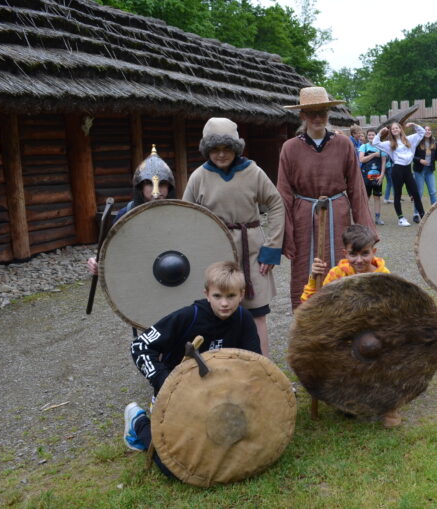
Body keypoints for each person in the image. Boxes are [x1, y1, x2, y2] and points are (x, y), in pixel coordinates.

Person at [123, 261, 261, 477]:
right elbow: (140, 346)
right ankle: (139, 422)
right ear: (207, 293)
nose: (224, 303)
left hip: (222, 397)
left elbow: (254, 366)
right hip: (177, 396)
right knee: (175, 467)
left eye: (231, 296)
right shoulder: (188, 317)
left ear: (241, 294)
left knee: (248, 452)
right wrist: (164, 381)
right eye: (217, 296)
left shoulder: (244, 320)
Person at [183, 118, 284, 358]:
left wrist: (271, 248)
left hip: (252, 251)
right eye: (215, 149)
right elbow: (185, 216)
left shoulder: (253, 172)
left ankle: (262, 370)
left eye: (226, 148)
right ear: (207, 150)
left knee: (257, 312)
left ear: (236, 148)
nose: (220, 154)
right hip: (215, 251)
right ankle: (221, 367)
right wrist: (194, 254)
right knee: (218, 311)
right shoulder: (199, 176)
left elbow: (276, 204)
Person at [277, 86, 376, 310]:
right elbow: (283, 192)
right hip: (304, 214)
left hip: (337, 212)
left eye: (322, 112)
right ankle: (307, 319)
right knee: (305, 266)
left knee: (341, 261)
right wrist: (287, 234)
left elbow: (356, 188)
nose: (317, 118)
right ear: (302, 115)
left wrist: (366, 231)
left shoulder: (343, 145)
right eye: (311, 113)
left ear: (328, 114)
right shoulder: (290, 148)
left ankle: (341, 317)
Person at [299, 225, 401, 428]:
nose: (359, 260)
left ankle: (390, 406)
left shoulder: (384, 276)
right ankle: (349, 398)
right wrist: (314, 277)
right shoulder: (337, 274)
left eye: (365, 253)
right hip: (345, 335)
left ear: (373, 252)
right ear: (345, 253)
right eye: (353, 254)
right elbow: (311, 303)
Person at [86, 146, 175, 275]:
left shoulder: (178, 214)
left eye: (162, 184)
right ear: (141, 187)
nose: (157, 191)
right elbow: (113, 251)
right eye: (150, 183)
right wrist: (97, 262)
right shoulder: (126, 214)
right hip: (137, 273)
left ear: (169, 187)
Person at [371, 122, 427, 226]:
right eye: (393, 129)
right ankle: (401, 218)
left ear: (400, 129)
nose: (395, 130)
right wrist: (380, 133)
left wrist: (414, 125)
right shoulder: (389, 143)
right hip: (397, 170)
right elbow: (375, 143)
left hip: (407, 170)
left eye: (397, 128)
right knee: (398, 194)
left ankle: (423, 216)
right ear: (391, 131)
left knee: (415, 193)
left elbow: (422, 132)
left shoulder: (409, 139)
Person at [358, 128, 387, 225]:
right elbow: (361, 159)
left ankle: (378, 218)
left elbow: (383, 162)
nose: (371, 137)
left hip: (377, 177)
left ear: (376, 136)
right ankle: (365, 218)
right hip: (366, 177)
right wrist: (374, 154)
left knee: (377, 197)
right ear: (367, 136)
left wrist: (382, 175)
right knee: (366, 197)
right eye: (369, 135)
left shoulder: (381, 147)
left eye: (373, 135)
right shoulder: (364, 146)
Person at [412, 125, 437, 207]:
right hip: (419, 171)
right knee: (419, 192)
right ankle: (416, 214)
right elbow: (412, 156)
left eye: (429, 130)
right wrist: (420, 160)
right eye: (425, 130)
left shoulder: (434, 143)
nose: (427, 131)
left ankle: (434, 212)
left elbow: (436, 156)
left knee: (433, 191)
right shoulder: (417, 142)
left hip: (429, 170)